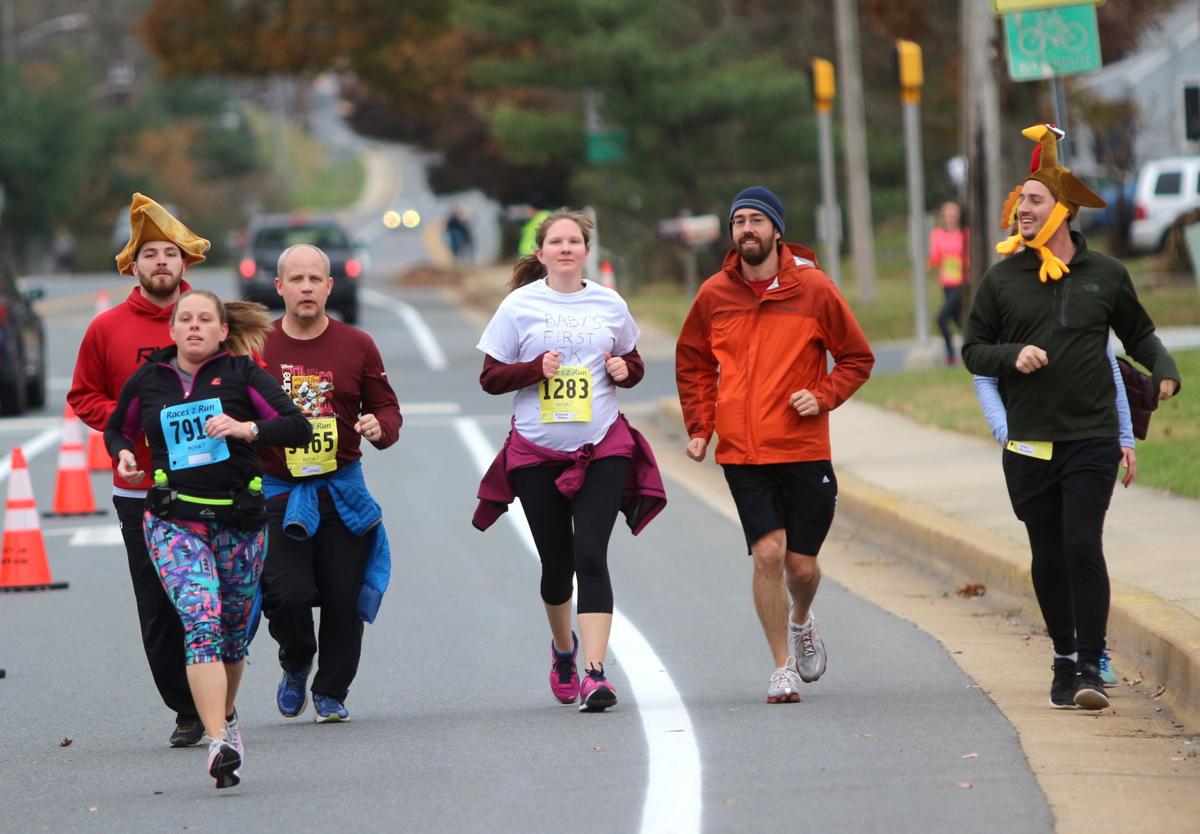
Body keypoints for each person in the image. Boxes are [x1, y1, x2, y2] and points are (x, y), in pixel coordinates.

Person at [963, 124, 1182, 711]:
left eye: (1033, 200)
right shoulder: (1001, 278)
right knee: (1048, 552)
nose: (1021, 209)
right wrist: (1013, 356)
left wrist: (1163, 369)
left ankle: (1089, 663)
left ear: (1062, 210)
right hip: (1030, 441)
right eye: (1019, 201)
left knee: (1083, 543)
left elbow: (1139, 334)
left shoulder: (1106, 276)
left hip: (1089, 437)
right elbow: (972, 350)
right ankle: (1063, 658)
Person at [105, 289, 312, 788]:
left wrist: (245, 429)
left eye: (205, 320)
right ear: (172, 330)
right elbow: (119, 429)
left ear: (222, 331)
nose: (194, 326)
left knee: (233, 637)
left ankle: (226, 714)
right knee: (200, 621)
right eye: (185, 319)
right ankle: (218, 739)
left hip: (238, 521)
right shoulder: (150, 379)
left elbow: (297, 427)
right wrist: (125, 455)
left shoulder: (243, 374)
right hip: (174, 521)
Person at [676, 186, 874, 703]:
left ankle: (802, 617)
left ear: (777, 230)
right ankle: (781, 667)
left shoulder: (815, 289)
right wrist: (700, 426)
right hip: (743, 451)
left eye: (756, 221)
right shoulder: (715, 294)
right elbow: (694, 361)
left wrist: (824, 394)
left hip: (803, 447)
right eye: (738, 221)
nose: (746, 229)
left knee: (801, 567)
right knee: (768, 553)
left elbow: (856, 358)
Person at [472, 208, 666, 712]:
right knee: (557, 567)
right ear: (540, 254)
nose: (564, 248)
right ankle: (564, 652)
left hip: (603, 446)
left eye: (573, 241)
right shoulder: (519, 307)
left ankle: (596, 674)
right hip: (537, 455)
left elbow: (633, 362)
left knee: (590, 556)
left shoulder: (609, 303)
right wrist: (535, 369)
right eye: (555, 242)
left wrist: (626, 370)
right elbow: (490, 378)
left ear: (586, 250)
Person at [68, 193, 212, 748]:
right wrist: (129, 425)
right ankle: (185, 708)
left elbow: (248, 387)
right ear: (134, 264)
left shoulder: (209, 318)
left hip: (212, 486)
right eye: (149, 253)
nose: (160, 262)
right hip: (141, 491)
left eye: (169, 254)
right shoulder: (107, 329)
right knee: (158, 606)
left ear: (185, 264)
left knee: (211, 598)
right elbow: (84, 395)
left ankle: (216, 695)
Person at [258, 243, 401, 724]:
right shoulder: (257, 348)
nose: (305, 288)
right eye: (295, 280)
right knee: (287, 595)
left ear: (329, 287)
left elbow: (386, 407)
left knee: (343, 597)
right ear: (279, 287)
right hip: (279, 490)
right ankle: (296, 661)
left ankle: (331, 691)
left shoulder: (356, 345)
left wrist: (381, 427)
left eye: (314, 279)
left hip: (341, 488)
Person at [928, 201, 967, 366]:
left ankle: (951, 356)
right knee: (959, 321)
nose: (951, 218)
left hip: (961, 284)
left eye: (954, 214)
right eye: (947, 215)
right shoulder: (938, 235)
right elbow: (935, 259)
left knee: (942, 318)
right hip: (947, 284)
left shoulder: (965, 234)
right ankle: (972, 349)